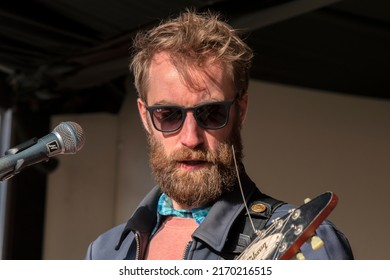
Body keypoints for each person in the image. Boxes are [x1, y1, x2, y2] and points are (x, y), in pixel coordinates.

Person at [85, 9, 353, 260]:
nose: (191, 138)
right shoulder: (105, 251)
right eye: (168, 115)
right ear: (145, 115)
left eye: (211, 113)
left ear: (241, 109)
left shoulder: (307, 238)